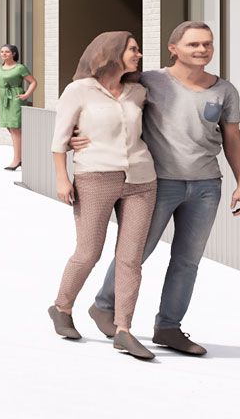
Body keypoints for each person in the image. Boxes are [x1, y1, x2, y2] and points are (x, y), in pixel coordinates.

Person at [85, 22, 240, 356]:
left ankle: (168, 328)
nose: (202, 50)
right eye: (193, 44)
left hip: (206, 186)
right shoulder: (148, 80)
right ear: (173, 48)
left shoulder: (224, 91)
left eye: (207, 44)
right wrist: (77, 135)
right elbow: (101, 100)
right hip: (154, 183)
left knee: (187, 261)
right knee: (135, 253)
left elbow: (233, 139)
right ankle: (104, 306)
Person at [47, 31, 159, 359]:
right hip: (94, 176)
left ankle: (123, 329)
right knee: (88, 253)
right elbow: (60, 138)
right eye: (133, 50)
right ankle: (61, 307)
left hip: (141, 178)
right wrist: (62, 178)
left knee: (130, 259)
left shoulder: (139, 92)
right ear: (111, 52)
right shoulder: (78, 91)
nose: (138, 55)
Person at [0, 45, 35, 171]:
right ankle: (21, 157)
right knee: (10, 128)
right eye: (2, 52)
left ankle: (17, 160)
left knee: (15, 129)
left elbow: (33, 82)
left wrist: (26, 95)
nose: (3, 54)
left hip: (15, 99)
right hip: (4, 100)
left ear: (14, 54)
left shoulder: (19, 68)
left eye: (7, 52)